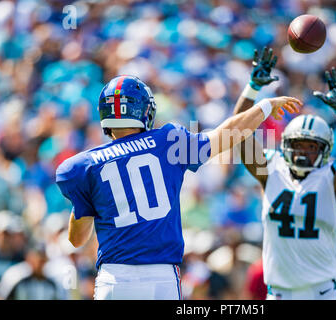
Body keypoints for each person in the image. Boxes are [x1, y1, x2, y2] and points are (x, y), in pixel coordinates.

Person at [55, 74, 301, 300]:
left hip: (117, 279)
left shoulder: (83, 165)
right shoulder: (168, 141)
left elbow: (77, 240)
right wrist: (264, 107)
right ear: (144, 109)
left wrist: (83, 201)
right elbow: (226, 135)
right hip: (163, 277)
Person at [232, 47, 336, 300]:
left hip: (322, 293)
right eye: (297, 145)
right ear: (286, 145)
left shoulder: (333, 179)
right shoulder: (271, 170)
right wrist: (252, 89)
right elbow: (239, 132)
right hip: (279, 294)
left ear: (325, 151)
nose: (303, 153)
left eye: (311, 147)